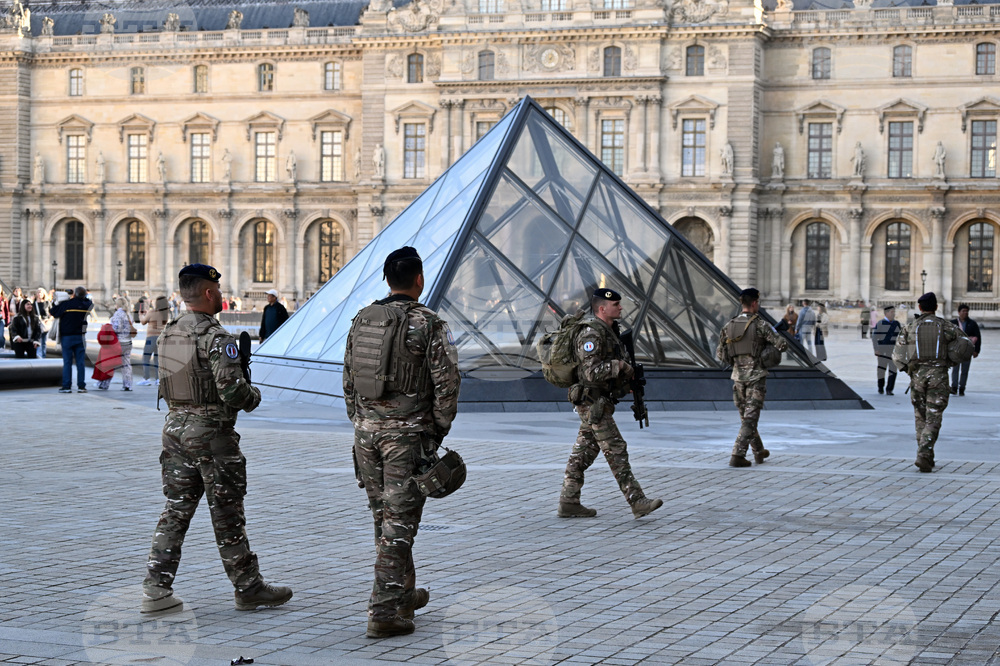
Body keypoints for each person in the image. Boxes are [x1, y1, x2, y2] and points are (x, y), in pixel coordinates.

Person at [142, 264, 292, 614]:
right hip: (211, 435)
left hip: (175, 430)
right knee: (227, 513)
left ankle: (155, 588)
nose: (222, 296)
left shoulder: (169, 333)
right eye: (218, 289)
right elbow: (232, 392)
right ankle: (248, 587)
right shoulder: (217, 338)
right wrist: (253, 395)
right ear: (209, 293)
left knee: (175, 511)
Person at [343, 247, 461, 638]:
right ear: (419, 279)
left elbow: (347, 379)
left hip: (366, 435)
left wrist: (362, 422)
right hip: (404, 438)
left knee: (385, 517)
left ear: (387, 280)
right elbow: (447, 384)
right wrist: (435, 431)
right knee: (399, 523)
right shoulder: (428, 322)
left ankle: (403, 593)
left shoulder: (363, 319)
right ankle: (383, 613)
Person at [558, 287, 663, 520]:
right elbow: (592, 373)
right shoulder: (590, 335)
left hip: (599, 402)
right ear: (602, 308)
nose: (621, 308)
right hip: (592, 402)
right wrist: (620, 367)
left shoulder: (610, 331)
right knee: (616, 450)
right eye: (616, 305)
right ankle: (637, 501)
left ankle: (569, 501)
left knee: (584, 452)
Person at [892, 292, 967, 473]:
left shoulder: (910, 327)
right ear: (936, 307)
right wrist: (951, 361)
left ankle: (926, 455)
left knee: (920, 417)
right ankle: (924, 454)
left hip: (917, 377)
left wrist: (909, 370)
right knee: (933, 417)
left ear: (920, 307)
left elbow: (897, 356)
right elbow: (965, 343)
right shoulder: (946, 327)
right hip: (939, 377)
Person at [717, 288, 789, 467]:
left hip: (737, 378)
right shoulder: (761, 325)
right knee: (750, 419)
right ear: (755, 303)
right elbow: (782, 345)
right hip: (756, 378)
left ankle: (759, 452)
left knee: (747, 417)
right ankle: (737, 455)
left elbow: (720, 353)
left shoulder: (729, 326)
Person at [50, 286, 93, 393]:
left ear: (74, 294)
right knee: (80, 363)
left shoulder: (66, 304)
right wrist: (79, 296)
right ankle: (81, 386)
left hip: (67, 337)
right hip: (81, 336)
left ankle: (66, 386)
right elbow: (90, 302)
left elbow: (53, 312)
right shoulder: (86, 305)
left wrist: (62, 299)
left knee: (67, 362)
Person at [137, 295, 170, 386]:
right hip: (160, 339)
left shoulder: (152, 312)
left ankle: (146, 378)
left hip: (150, 338)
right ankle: (158, 379)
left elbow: (143, 322)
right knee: (157, 359)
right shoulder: (165, 314)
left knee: (146, 358)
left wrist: (140, 314)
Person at [950, 304, 981, 396]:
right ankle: (954, 387)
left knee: (965, 370)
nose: (965, 313)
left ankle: (962, 387)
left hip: (967, 350)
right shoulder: (953, 323)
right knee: (955, 369)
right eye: (963, 311)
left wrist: (976, 351)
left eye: (967, 311)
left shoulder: (972, 323)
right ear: (959, 312)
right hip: (956, 350)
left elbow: (978, 337)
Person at [871, 305, 901, 395]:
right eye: (892, 312)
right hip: (882, 350)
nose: (894, 314)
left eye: (894, 312)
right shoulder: (880, 323)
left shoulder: (897, 324)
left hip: (893, 351)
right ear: (886, 313)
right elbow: (874, 337)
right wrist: (876, 349)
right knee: (881, 370)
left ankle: (890, 389)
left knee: (893, 370)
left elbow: (900, 337)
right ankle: (880, 387)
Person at [109, 297, 137, 391]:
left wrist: (110, 326)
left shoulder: (118, 313)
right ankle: (128, 384)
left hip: (119, 342)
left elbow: (117, 328)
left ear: (117, 304)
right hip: (128, 342)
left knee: (109, 363)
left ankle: (103, 383)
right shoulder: (128, 314)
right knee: (126, 364)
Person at [93, 322, 122, 389]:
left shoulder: (105, 329)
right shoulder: (112, 332)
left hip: (104, 350)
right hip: (112, 350)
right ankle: (105, 384)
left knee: (102, 368)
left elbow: (100, 338)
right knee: (110, 369)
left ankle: (101, 383)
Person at [33, 288, 52, 358]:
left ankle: (43, 355)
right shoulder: (34, 304)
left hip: (45, 324)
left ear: (44, 294)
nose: (39, 294)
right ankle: (38, 355)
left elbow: (52, 313)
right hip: (37, 324)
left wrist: (49, 319)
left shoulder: (47, 303)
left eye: (41, 292)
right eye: (38, 292)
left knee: (43, 341)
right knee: (37, 340)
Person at [0, 285, 9, 350]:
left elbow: (6, 311)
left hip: (1, 319)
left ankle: (1, 347)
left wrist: (7, 322)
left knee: (0, 335)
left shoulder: (4, 299)